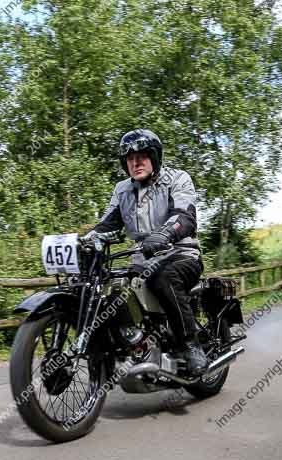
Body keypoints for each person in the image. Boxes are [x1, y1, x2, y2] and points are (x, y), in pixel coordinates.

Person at [87, 129, 207, 376]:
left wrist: (164, 234)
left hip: (181, 254)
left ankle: (190, 345)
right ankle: (130, 345)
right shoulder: (122, 190)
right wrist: (84, 242)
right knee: (111, 287)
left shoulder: (177, 179)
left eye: (142, 155)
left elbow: (185, 216)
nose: (136, 162)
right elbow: (107, 225)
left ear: (155, 157)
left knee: (163, 278)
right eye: (130, 158)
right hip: (142, 259)